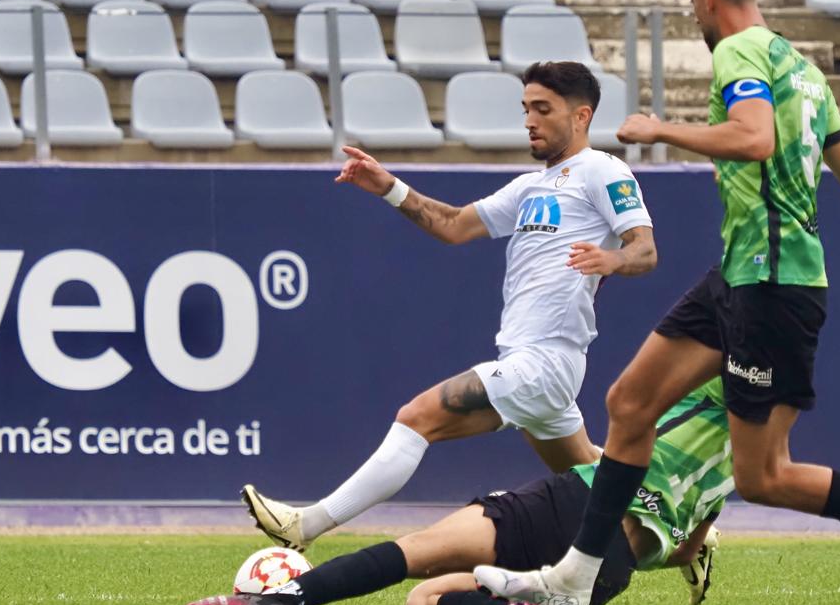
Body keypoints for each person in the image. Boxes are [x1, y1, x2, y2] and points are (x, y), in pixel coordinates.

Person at [473, 0, 840, 605]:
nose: (693, 14)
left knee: (763, 475)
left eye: (690, 3)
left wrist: (661, 132)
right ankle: (574, 575)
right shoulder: (803, 71)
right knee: (629, 405)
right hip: (741, 277)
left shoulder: (739, 51)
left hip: (773, 285)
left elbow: (753, 137)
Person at [241, 61, 656, 552]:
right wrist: (388, 187)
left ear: (581, 116)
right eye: (526, 109)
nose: (529, 120)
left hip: (546, 360)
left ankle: (305, 525)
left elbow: (645, 250)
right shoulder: (529, 187)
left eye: (543, 109)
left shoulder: (604, 170)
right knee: (590, 470)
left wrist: (610, 258)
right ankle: (682, 527)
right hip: (530, 361)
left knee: (417, 417)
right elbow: (454, 225)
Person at [180, 379, 732, 605]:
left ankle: (279, 601)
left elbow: (634, 402)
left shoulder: (706, 386)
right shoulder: (736, 473)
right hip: (606, 570)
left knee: (416, 557)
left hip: (578, 502)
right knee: (423, 603)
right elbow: (684, 554)